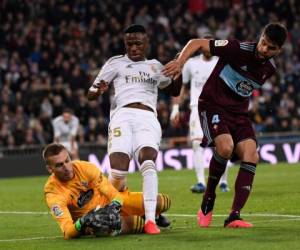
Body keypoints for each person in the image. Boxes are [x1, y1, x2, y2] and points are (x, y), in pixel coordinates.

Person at [163, 23, 287, 228]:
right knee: (226, 147)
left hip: (239, 113)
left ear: (279, 50)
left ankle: (234, 216)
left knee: (251, 154)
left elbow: (244, 89)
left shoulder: (270, 69)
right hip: (213, 106)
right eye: (264, 43)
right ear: (260, 36)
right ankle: (208, 197)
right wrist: (179, 62)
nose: (265, 49)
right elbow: (196, 43)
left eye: (271, 48)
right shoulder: (237, 49)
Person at [87, 24, 181, 234]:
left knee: (148, 161)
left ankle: (149, 221)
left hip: (147, 116)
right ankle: (104, 208)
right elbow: (90, 93)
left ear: (146, 43)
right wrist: (98, 91)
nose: (134, 48)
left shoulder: (156, 66)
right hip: (122, 116)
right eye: (129, 44)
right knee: (119, 171)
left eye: (138, 43)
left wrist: (178, 70)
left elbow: (174, 89)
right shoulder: (115, 63)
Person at [43, 143, 171, 239]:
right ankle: (146, 217)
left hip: (111, 204)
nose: (66, 167)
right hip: (96, 221)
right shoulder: (53, 193)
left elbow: (112, 193)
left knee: (164, 202)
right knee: (137, 223)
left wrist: (114, 206)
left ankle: (153, 214)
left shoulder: (85, 167)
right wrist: (82, 222)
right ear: (50, 169)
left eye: (67, 160)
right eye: (59, 165)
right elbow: (68, 232)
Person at [170, 33, 230, 194]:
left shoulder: (222, 63)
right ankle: (201, 183)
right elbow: (181, 86)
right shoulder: (191, 63)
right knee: (197, 143)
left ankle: (223, 182)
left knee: (222, 145)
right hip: (197, 107)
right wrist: (175, 109)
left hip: (219, 108)